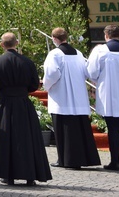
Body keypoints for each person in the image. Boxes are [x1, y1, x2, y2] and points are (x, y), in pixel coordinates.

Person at [0, 32, 52, 186]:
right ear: (16, 43)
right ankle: (30, 176)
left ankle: (8, 176)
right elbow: (34, 84)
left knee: (7, 138)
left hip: (6, 104)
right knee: (28, 138)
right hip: (23, 103)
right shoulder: (27, 62)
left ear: (2, 45)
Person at [42, 27, 100, 169]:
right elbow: (87, 72)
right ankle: (85, 158)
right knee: (80, 129)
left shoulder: (54, 54)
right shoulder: (78, 54)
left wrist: (46, 86)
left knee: (64, 131)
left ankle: (65, 160)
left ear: (54, 39)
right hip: (78, 98)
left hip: (62, 99)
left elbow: (52, 74)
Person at [87, 24, 119, 171]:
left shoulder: (100, 51)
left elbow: (91, 73)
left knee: (112, 129)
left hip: (110, 96)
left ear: (106, 35)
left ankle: (115, 162)